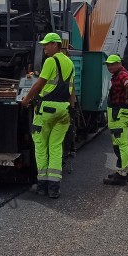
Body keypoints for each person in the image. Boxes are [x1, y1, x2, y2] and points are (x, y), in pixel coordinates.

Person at [19, 32, 75, 199]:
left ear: (56, 45)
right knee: (56, 147)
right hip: (63, 110)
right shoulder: (70, 63)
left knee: (41, 147)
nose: (44, 47)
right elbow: (72, 90)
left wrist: (26, 99)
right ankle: (54, 188)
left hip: (47, 110)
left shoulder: (51, 61)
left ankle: (42, 186)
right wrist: (71, 110)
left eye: (47, 44)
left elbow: (39, 84)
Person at [104, 54, 128, 185]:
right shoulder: (118, 74)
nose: (109, 67)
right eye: (108, 64)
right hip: (119, 113)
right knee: (120, 143)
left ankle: (121, 175)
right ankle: (121, 172)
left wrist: (127, 98)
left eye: (112, 64)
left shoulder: (122, 74)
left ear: (119, 64)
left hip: (119, 113)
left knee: (121, 145)